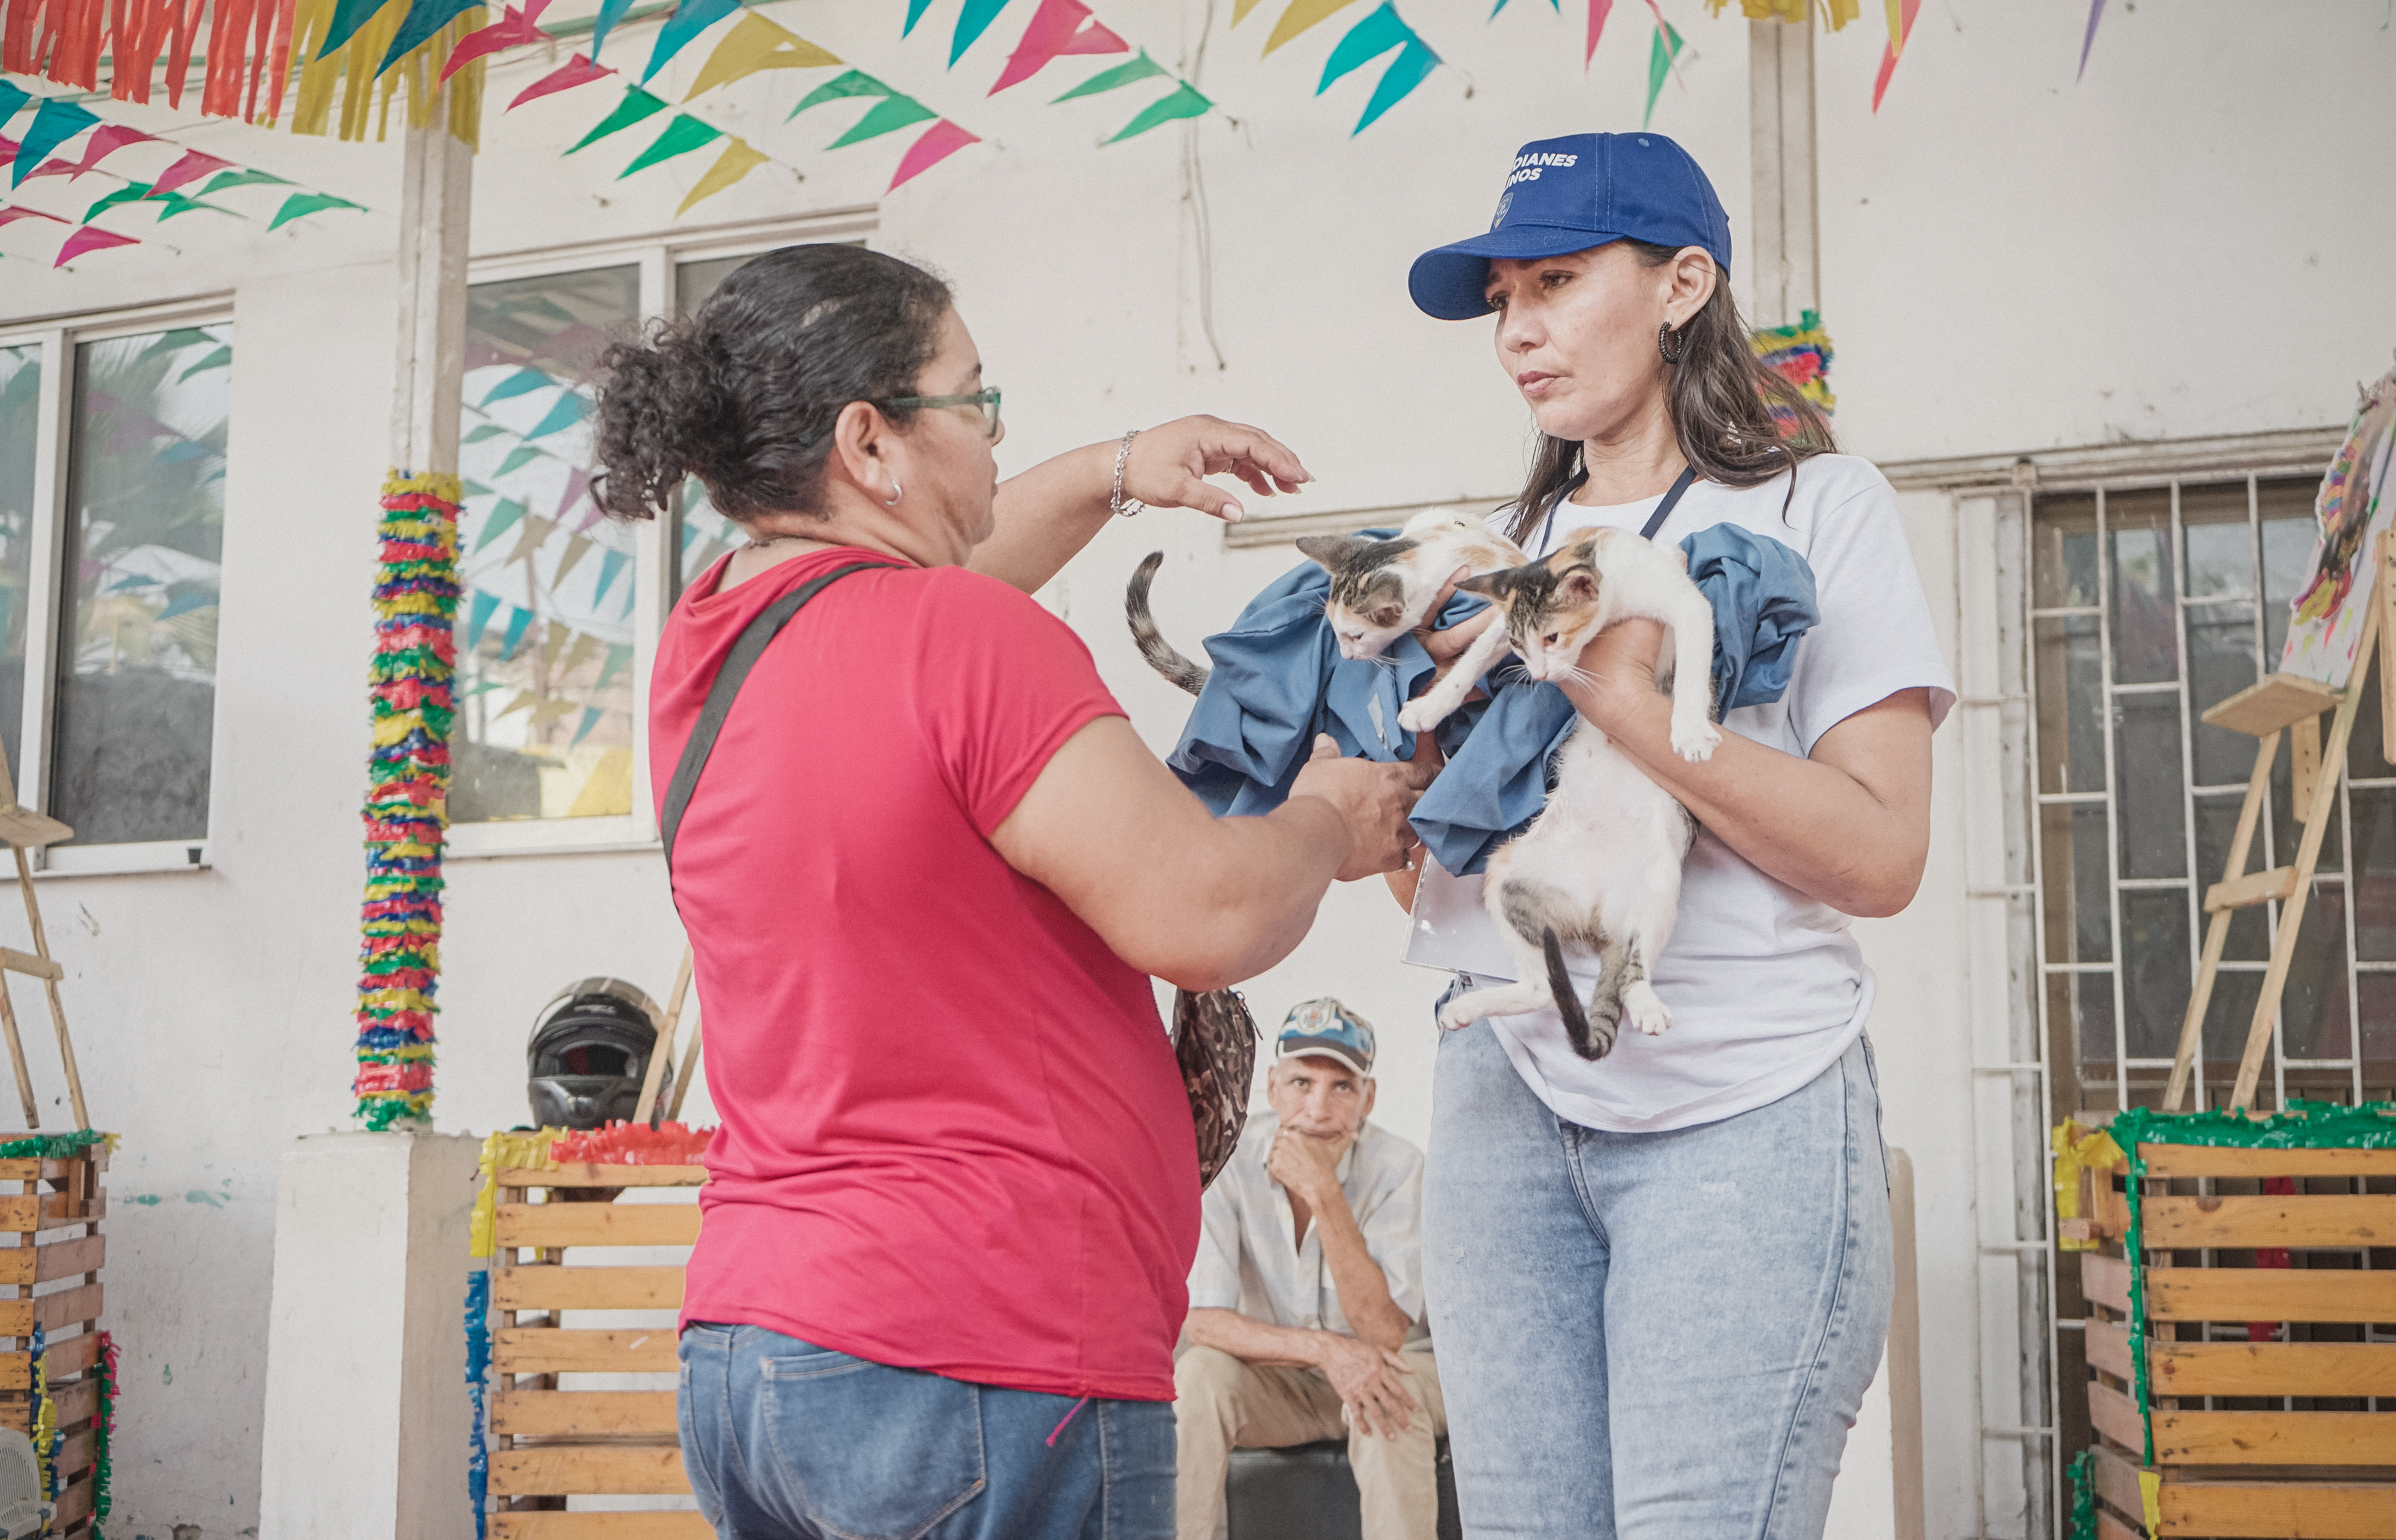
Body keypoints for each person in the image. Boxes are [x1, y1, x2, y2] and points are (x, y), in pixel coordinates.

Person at [589, 244, 1423, 1540]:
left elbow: (932, 613)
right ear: (871, 442)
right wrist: (1332, 814)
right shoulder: (966, 644)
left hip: (761, 1358)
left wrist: (1114, 469)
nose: (990, 440)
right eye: (975, 402)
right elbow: (1206, 916)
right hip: (980, 1362)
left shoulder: (716, 645)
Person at [1394, 133, 1956, 1538]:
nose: (1518, 330)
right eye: (1503, 298)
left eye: (1560, 282)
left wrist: (1626, 699)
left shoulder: (1818, 508)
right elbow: (1440, 861)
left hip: (1740, 1111)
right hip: (1507, 1099)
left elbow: (1881, 857)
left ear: (1681, 283)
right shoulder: (1493, 546)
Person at [1174, 999, 1443, 1540]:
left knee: (1385, 1397)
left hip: (1393, 1364)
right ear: (1272, 1088)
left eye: (1342, 1087)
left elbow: (1384, 1333)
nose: (1318, 1109)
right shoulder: (1229, 1162)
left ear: (1368, 1099)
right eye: (1302, 1083)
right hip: (1282, 1381)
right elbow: (1203, 1321)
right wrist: (1325, 1351)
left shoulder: (1400, 1168)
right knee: (1200, 1375)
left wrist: (1326, 1197)